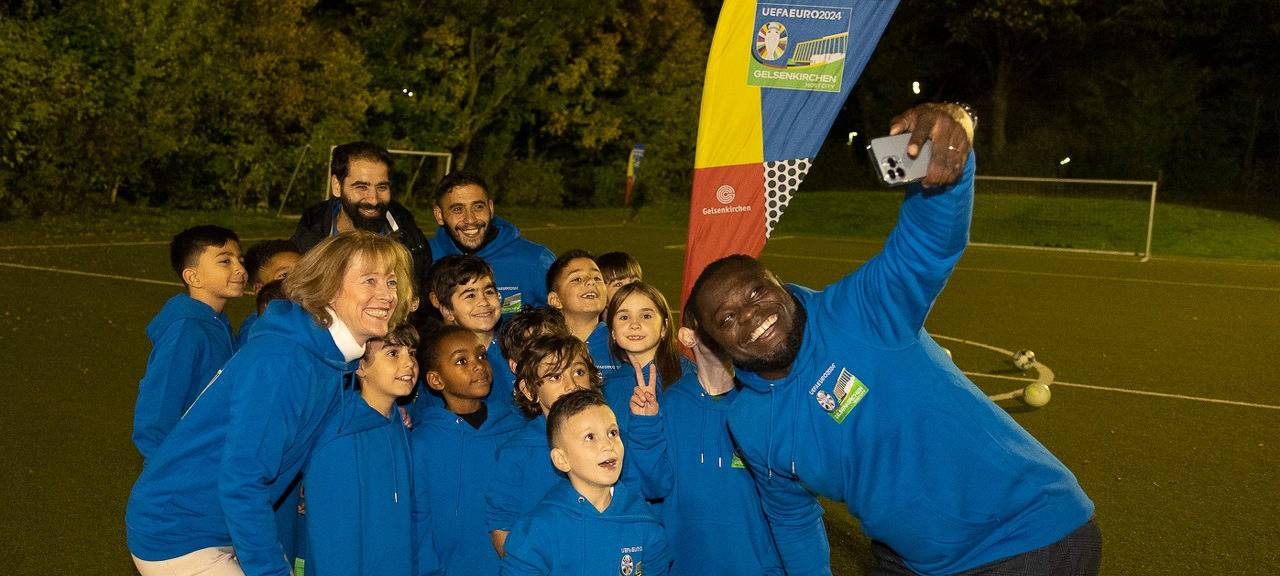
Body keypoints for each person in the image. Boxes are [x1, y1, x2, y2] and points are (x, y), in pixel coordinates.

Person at [685, 104, 1100, 575]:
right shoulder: (750, 421)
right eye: (728, 317)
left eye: (757, 290)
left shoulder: (860, 310)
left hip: (1023, 538)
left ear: (780, 283)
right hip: (913, 558)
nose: (753, 314)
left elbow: (929, 244)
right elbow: (791, 517)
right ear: (716, 342)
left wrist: (945, 167)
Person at [126, 230, 414, 576]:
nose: (386, 295)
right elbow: (243, 480)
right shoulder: (286, 359)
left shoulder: (329, 354)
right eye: (370, 280)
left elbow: (315, 428)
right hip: (178, 533)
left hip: (216, 524)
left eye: (392, 282)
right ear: (329, 287)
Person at [603, 282, 783, 575]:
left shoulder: (687, 381)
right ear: (610, 329)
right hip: (647, 526)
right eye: (624, 316)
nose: (635, 324)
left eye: (647, 315)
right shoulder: (608, 389)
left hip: (691, 527)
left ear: (665, 328)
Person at [499, 389, 670, 576]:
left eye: (613, 433)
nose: (607, 445)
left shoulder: (644, 521)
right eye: (590, 437)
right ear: (561, 459)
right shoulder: (539, 529)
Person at [304, 322, 419, 576]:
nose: (409, 363)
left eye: (411, 353)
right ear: (361, 367)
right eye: (392, 353)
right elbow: (334, 538)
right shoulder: (340, 435)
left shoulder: (397, 420)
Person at [412, 325, 522, 576]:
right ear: (436, 380)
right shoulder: (422, 443)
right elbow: (419, 522)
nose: (477, 365)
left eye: (481, 356)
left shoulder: (515, 430)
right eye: (461, 361)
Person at [132, 225, 245, 460]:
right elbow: (157, 410)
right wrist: (165, 472)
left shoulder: (217, 324)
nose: (240, 269)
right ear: (193, 276)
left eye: (239, 260)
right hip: (184, 473)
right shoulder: (187, 329)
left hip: (211, 460)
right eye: (226, 261)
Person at [485, 333, 601, 558]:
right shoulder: (517, 451)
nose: (571, 385)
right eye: (555, 377)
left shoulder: (611, 439)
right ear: (529, 390)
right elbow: (501, 523)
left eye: (578, 372)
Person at [292, 141, 432, 301]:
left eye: (382, 187)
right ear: (337, 186)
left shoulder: (412, 243)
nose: (373, 200)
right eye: (361, 187)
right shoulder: (309, 240)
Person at [428, 171, 555, 317]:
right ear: (439, 215)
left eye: (478, 207)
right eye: (458, 209)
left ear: (491, 207)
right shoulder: (426, 258)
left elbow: (567, 319)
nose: (470, 219)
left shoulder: (536, 260)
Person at [419, 255, 518, 425]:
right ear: (447, 310)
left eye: (489, 291)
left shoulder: (518, 347)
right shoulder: (436, 359)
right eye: (470, 295)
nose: (484, 302)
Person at [545, 249, 620, 376]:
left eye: (597, 278)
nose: (591, 282)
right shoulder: (540, 347)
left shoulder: (622, 341)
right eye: (577, 279)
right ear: (555, 300)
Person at [238, 239, 300, 347]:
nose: (299, 279)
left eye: (303, 270)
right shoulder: (256, 335)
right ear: (260, 289)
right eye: (284, 275)